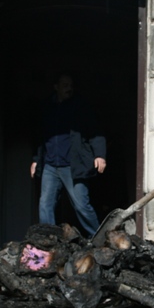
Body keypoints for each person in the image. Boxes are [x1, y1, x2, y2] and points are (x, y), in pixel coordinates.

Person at [30, 73, 106, 237]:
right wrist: (36, 160)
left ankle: (97, 238)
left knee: (81, 205)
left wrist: (100, 155)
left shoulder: (80, 107)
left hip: (73, 165)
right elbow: (41, 135)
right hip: (50, 165)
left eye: (70, 85)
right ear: (56, 87)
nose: (69, 88)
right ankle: (49, 240)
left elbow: (95, 131)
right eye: (64, 85)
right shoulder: (47, 107)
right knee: (45, 204)